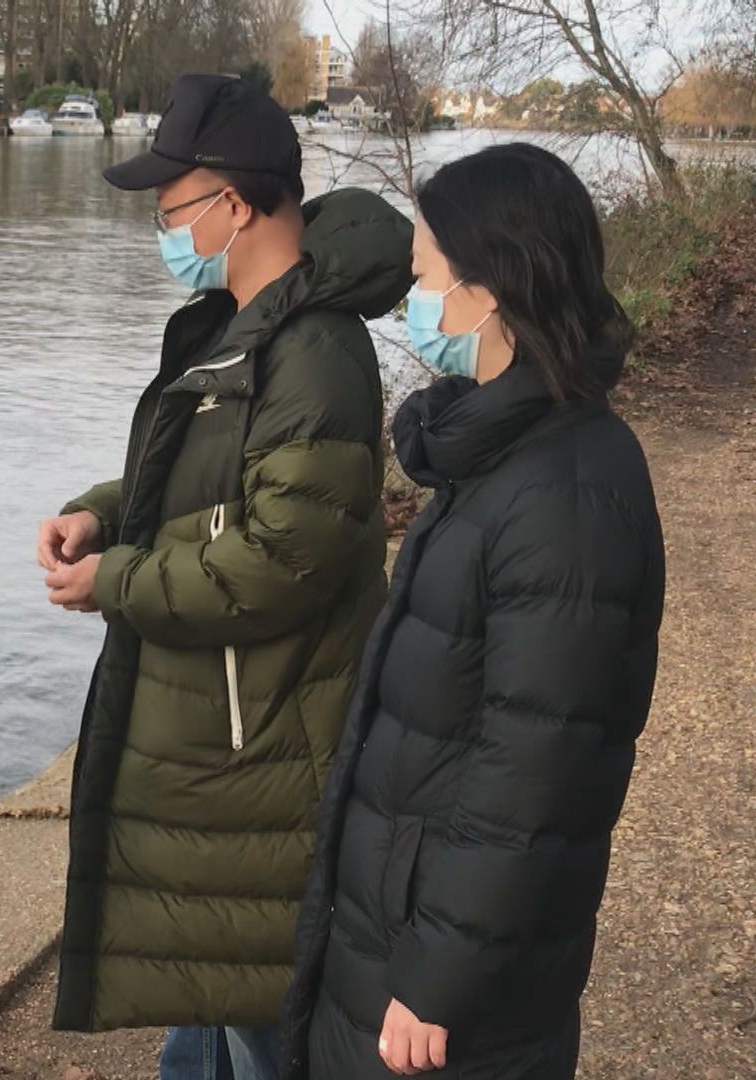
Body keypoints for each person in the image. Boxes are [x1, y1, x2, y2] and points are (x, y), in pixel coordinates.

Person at [35, 73, 412, 1079]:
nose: (162, 230)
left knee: (256, 1029)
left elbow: (281, 558)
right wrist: (104, 512)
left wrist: (116, 580)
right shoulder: (245, 326)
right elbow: (211, 483)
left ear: (235, 205)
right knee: (209, 1022)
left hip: (259, 751)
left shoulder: (316, 349)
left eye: (172, 209)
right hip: (216, 749)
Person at [281, 143, 667, 1079]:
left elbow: (538, 763)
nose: (413, 303)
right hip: (401, 922)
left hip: (441, 981)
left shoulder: (565, 489)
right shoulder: (502, 450)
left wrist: (439, 975)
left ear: (484, 291)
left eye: (422, 276)